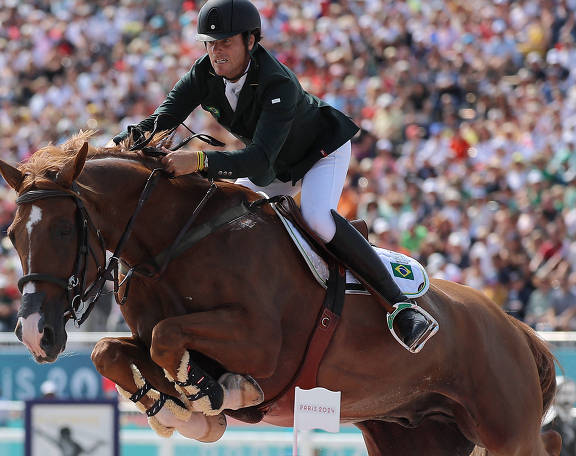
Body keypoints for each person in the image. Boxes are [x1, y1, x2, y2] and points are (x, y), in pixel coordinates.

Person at [111, 0, 437, 352]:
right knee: (223, 218)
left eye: (226, 42)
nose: (216, 51)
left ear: (251, 41)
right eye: (210, 42)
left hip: (319, 153)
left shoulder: (276, 81)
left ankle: (402, 307)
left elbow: (259, 164)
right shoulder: (202, 73)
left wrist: (201, 161)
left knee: (317, 218)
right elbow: (160, 121)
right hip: (274, 160)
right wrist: (113, 150)